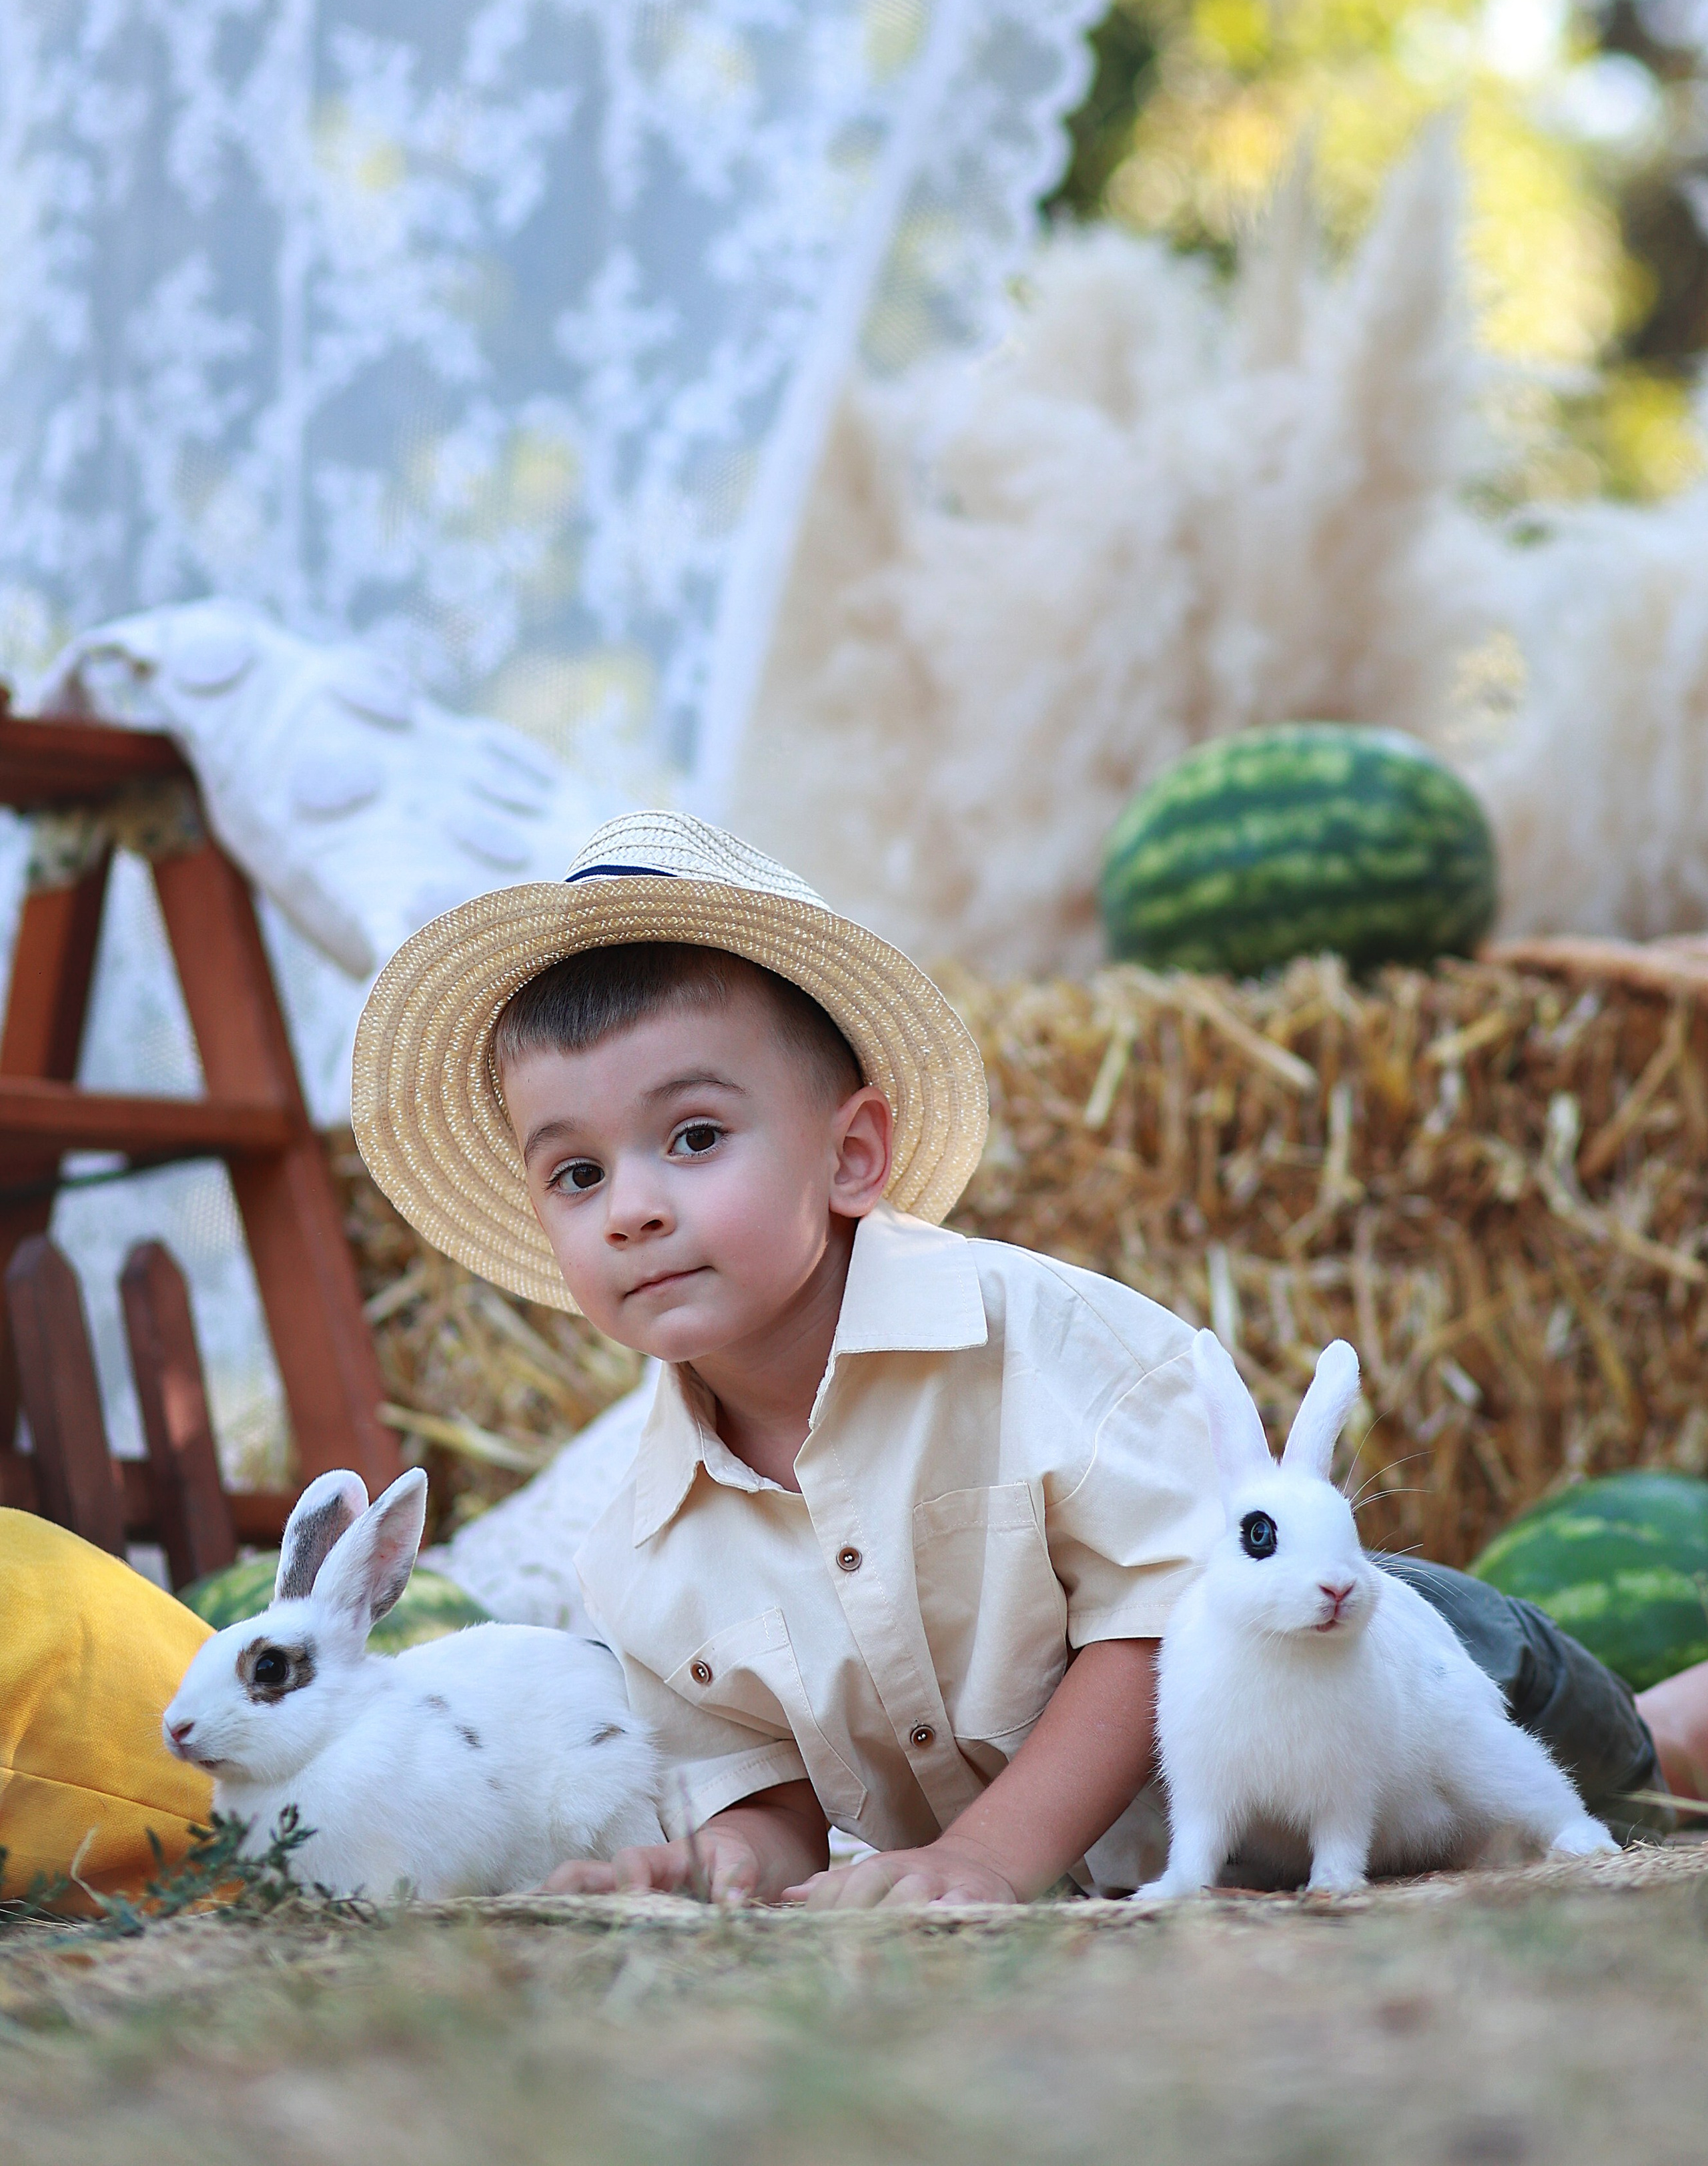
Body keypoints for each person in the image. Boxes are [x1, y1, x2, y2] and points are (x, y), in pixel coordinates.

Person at [352, 813, 1702, 1907]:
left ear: (851, 1154)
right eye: (577, 1171)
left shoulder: (1026, 1333)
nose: (631, 1204)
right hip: (1193, 1854)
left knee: (1623, 1769)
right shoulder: (638, 1549)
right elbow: (760, 1793)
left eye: (693, 1135)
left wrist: (996, 1851)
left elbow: (1156, 1612)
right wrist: (709, 1864)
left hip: (1402, 1680)